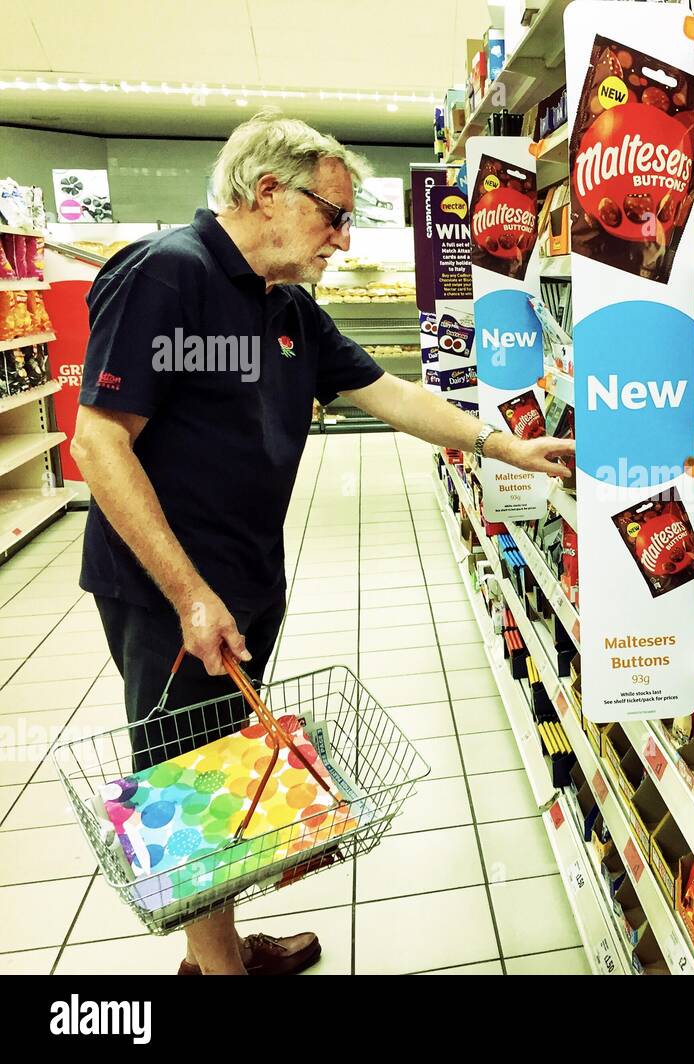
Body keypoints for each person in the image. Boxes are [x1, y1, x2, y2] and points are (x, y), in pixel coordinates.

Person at [70, 110, 573, 976]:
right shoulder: (167, 275)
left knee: (223, 765)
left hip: (247, 574)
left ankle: (216, 950)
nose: (343, 236)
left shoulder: (289, 306)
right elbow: (97, 441)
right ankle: (218, 970)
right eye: (332, 214)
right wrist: (190, 595)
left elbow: (387, 391)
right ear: (266, 191)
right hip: (168, 588)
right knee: (185, 785)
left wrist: (500, 444)